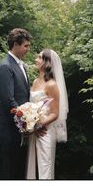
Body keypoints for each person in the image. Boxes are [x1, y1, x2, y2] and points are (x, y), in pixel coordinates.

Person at [0, 28, 32, 179]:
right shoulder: (5, 66)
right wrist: (26, 121)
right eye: (26, 46)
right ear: (15, 44)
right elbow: (8, 100)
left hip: (19, 129)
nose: (28, 49)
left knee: (17, 170)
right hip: (10, 129)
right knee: (8, 171)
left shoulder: (21, 65)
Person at [26, 49, 69, 179]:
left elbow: (55, 113)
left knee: (45, 167)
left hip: (45, 130)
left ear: (47, 62)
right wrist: (31, 124)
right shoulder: (35, 82)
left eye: (39, 57)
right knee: (32, 165)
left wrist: (38, 124)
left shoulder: (52, 85)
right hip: (33, 130)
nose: (36, 60)